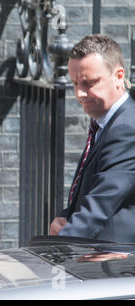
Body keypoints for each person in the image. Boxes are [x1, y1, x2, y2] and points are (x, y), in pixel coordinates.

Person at [50, 34, 135, 242]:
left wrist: (58, 249)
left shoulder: (126, 128)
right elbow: (93, 187)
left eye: (89, 83)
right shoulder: (106, 123)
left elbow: (101, 203)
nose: (79, 93)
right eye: (75, 83)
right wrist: (66, 216)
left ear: (118, 76)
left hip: (114, 264)